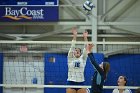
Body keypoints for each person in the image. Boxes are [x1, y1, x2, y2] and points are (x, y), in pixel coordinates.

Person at [66, 27, 89, 93]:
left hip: (81, 82)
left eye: (79, 50)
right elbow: (72, 46)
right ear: (73, 52)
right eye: (76, 50)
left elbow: (86, 48)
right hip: (71, 82)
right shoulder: (70, 58)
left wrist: (85, 37)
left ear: (81, 53)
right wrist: (75, 36)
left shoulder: (83, 58)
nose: (77, 51)